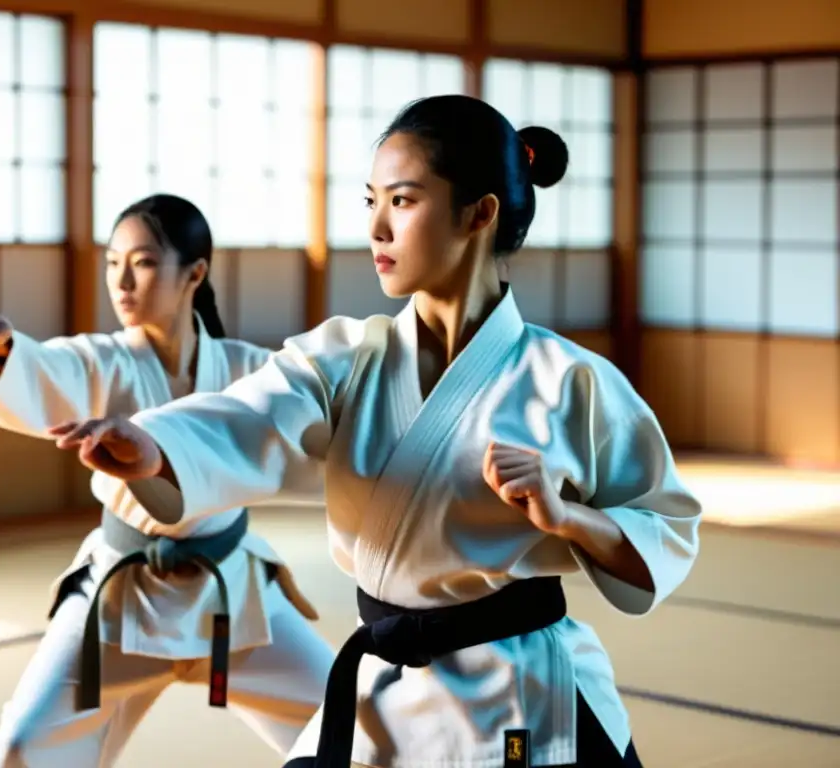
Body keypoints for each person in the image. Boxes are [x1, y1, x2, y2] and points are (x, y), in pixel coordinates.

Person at [51, 97, 703, 768]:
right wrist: (157, 447)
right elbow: (251, 414)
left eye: (404, 201)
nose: (377, 229)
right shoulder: (343, 358)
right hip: (387, 684)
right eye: (371, 202)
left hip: (520, 692)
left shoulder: (569, 382)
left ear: (480, 214)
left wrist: (566, 517)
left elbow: (665, 531)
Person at [0, 193, 335, 767]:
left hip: (232, 592)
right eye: (112, 262)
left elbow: (310, 419)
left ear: (194, 273)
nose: (120, 281)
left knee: (350, 725)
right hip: (123, 596)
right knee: (21, 750)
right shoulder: (101, 361)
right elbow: (46, 371)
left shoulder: (248, 368)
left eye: (142, 262)